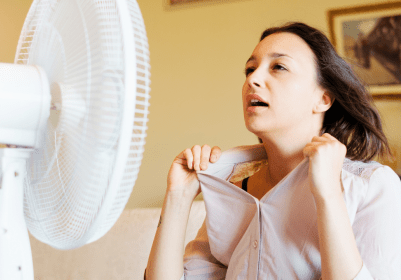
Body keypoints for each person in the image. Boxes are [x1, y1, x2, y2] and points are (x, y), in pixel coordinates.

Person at [145, 22, 401, 279]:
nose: (252, 79)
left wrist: (328, 194)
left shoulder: (372, 186)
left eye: (279, 67)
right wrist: (178, 196)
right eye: (249, 69)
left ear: (323, 98)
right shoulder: (232, 190)